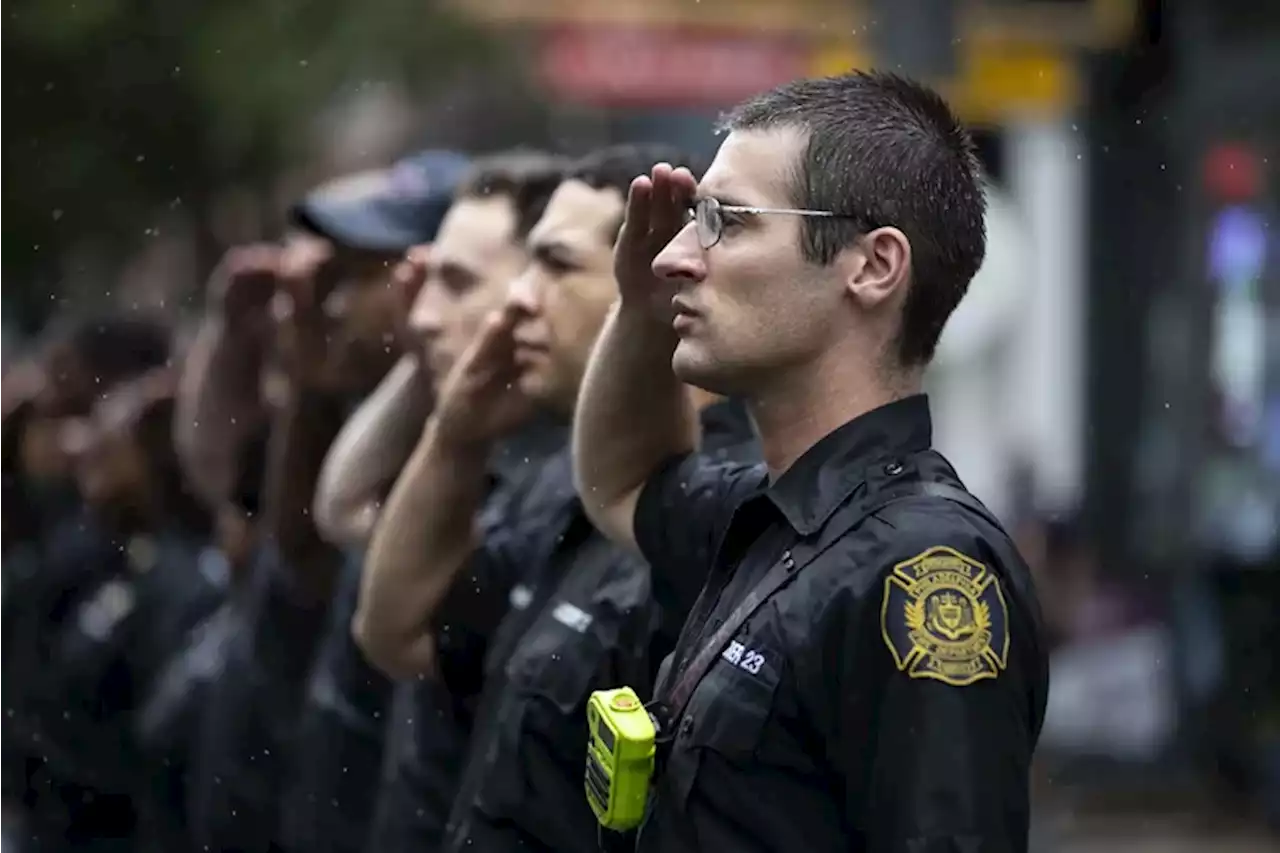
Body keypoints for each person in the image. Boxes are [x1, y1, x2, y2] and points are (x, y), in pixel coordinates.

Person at [573, 72, 1049, 852]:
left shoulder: (921, 564)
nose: (673, 258)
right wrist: (637, 314)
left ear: (871, 266)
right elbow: (618, 482)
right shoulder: (767, 516)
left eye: (725, 220)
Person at [355, 143, 756, 853]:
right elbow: (395, 630)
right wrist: (453, 437)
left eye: (557, 264)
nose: (517, 297)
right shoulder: (557, 485)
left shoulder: (723, 515)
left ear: (655, 275)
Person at [184, 149, 469, 853]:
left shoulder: (457, 453)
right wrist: (281, 363)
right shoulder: (342, 414)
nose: (330, 301)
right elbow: (244, 503)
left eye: (358, 273)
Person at [286, 150, 567, 853]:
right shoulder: (482, 441)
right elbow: (341, 508)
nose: (424, 316)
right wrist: (428, 374)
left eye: (455, 282)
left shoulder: (556, 465)